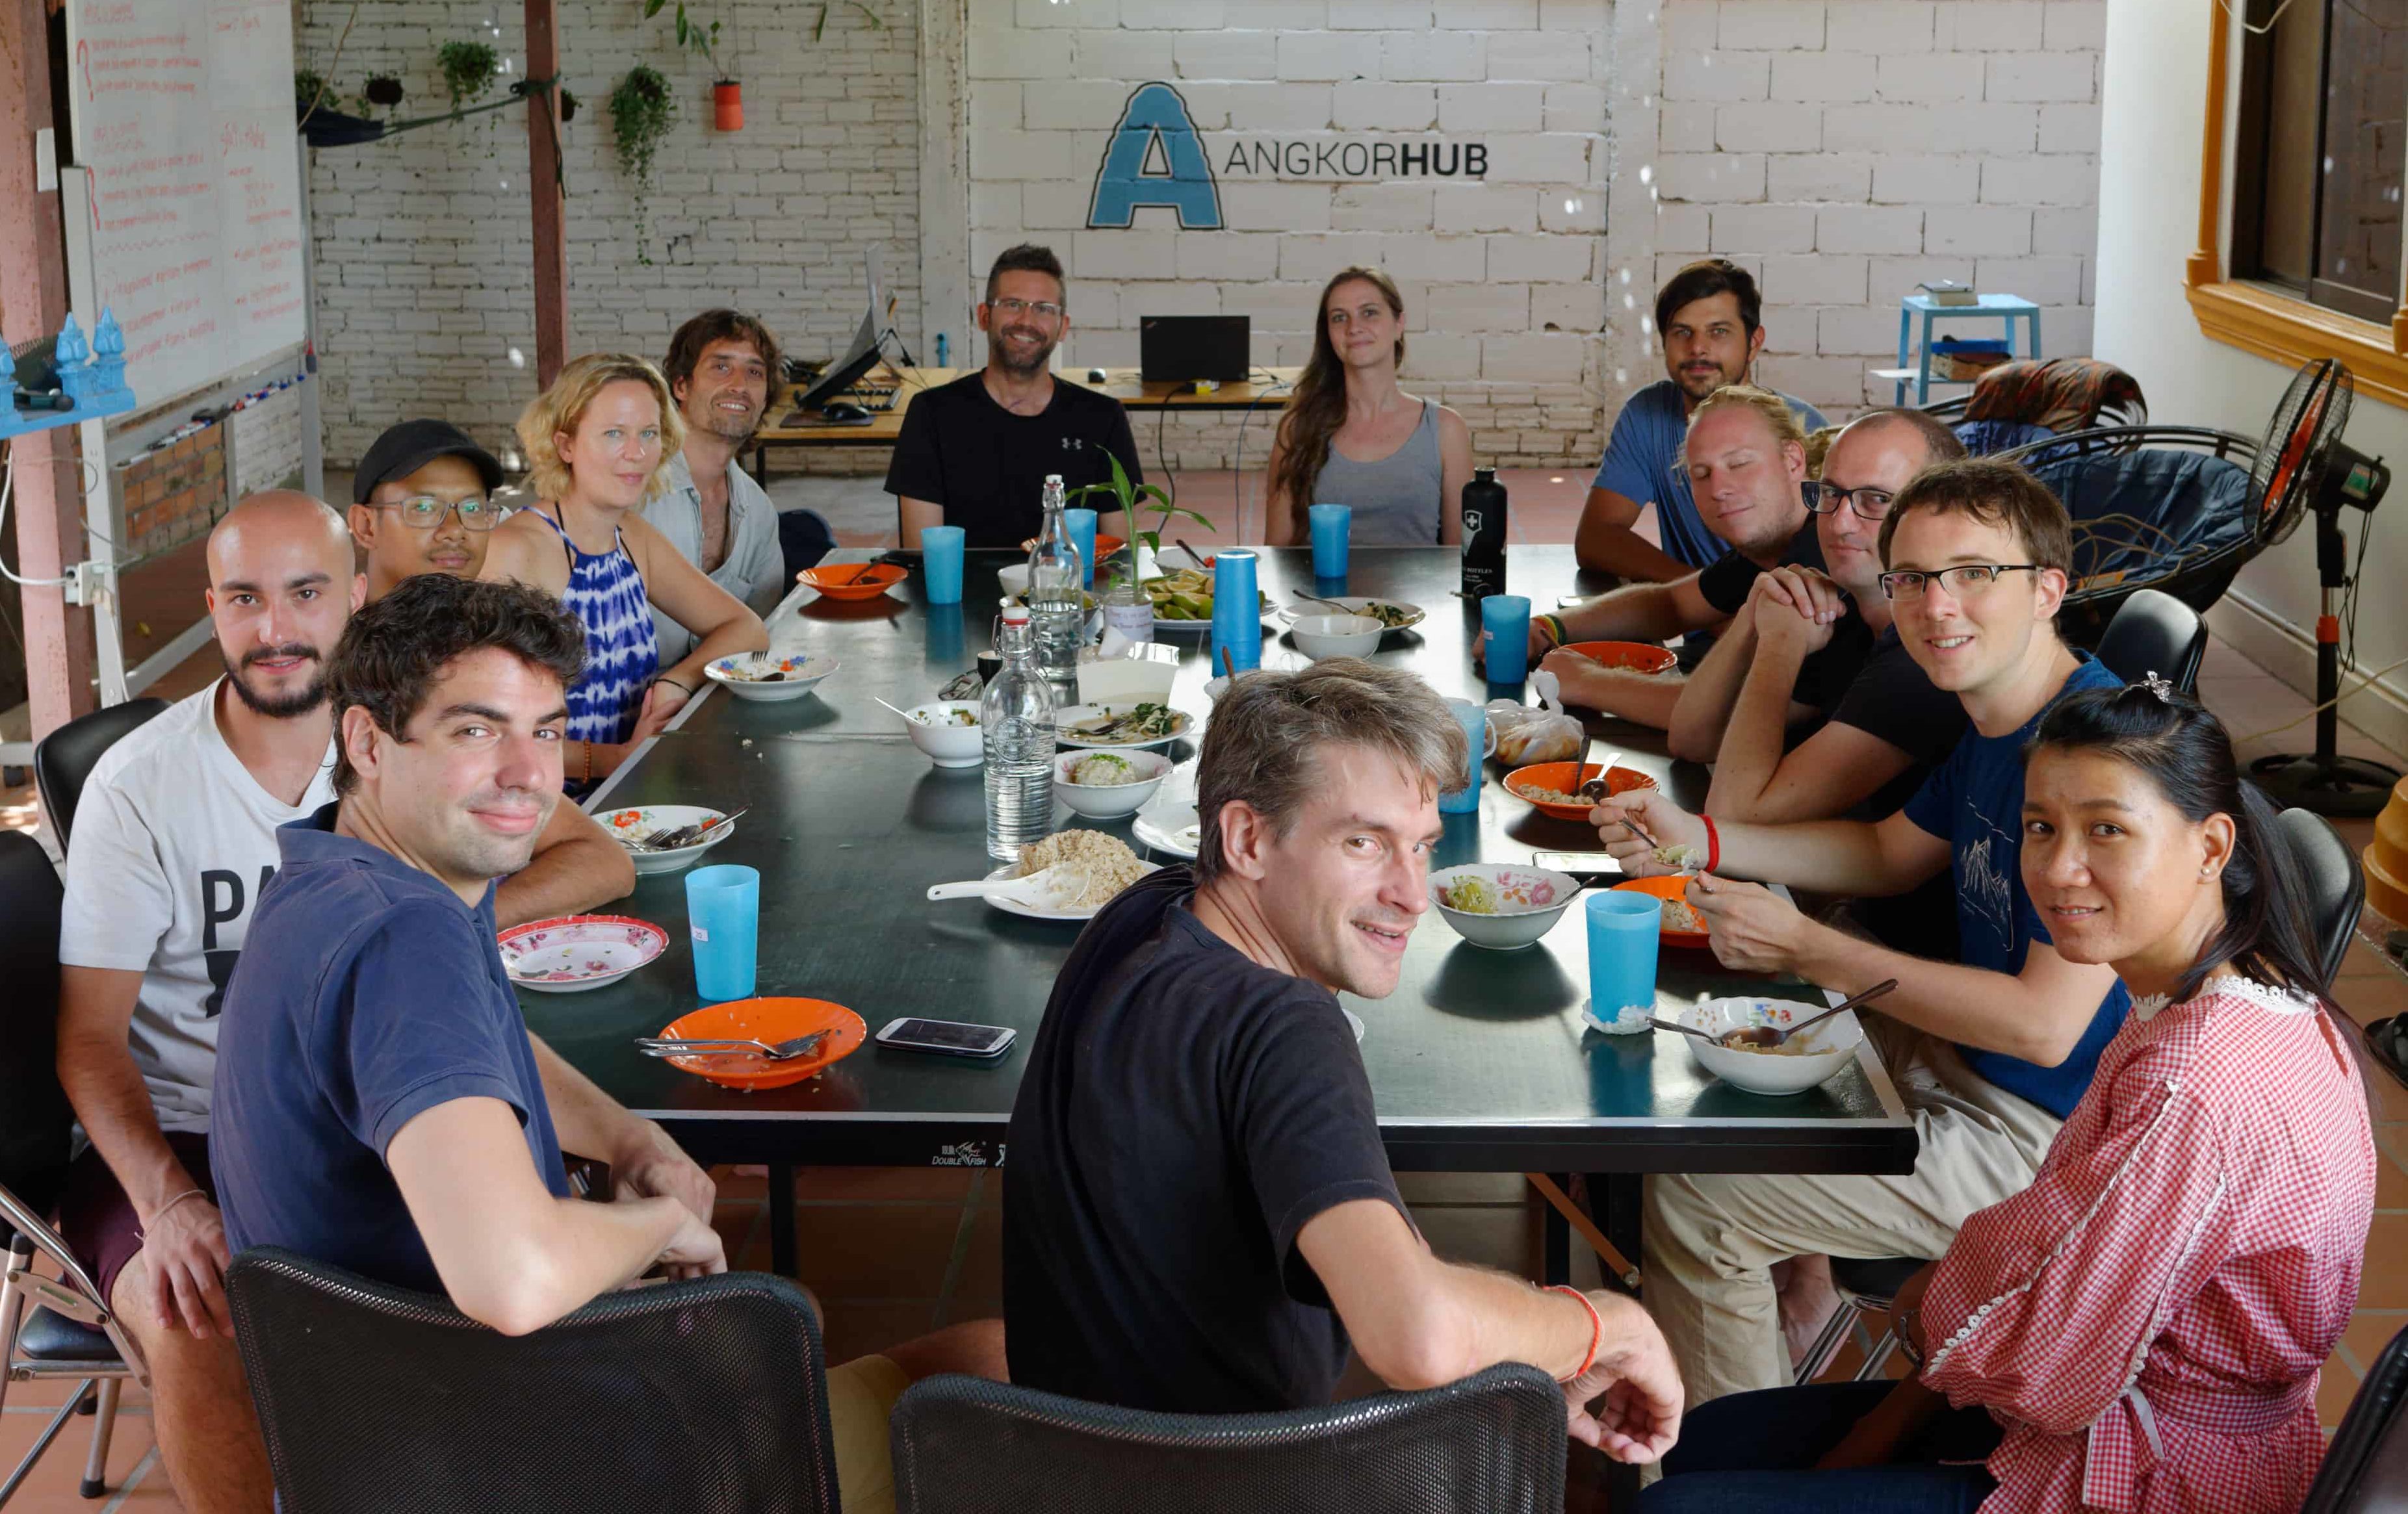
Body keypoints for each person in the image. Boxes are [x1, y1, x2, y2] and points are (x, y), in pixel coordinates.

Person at [208, 573, 1006, 1514]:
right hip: (537, 1459)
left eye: (544, 730)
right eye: (475, 730)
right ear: (366, 742)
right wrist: (660, 1225)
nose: (530, 774)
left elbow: (465, 1052)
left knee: (782, 1317)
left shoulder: (334, 879)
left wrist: (631, 1139)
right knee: (995, 1367)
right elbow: (516, 1277)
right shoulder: (405, 942)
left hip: (382, 1444)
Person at [1640, 685, 2376, 1513]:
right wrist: (1950, 1320)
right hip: (2100, 1409)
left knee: (1678, 1501)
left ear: (2211, 847)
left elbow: (2052, 1370)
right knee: (1709, 1444)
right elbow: (2038, 1283)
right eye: (2040, 827)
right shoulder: (2225, 998)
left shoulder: (2196, 1083)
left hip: (2148, 1473)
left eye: (2107, 829)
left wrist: (1932, 1310)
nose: (2058, 869)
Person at [1004, 660, 1682, 1462]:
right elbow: (1417, 1337)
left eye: (1421, 846)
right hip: (1223, 1483)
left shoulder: (1141, 912)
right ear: (1248, 838)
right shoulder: (1286, 1027)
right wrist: (1608, 1324)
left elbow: (1377, 1271)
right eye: (1363, 841)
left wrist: (1512, 1332)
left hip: (1074, 1459)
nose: (1412, 893)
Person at [1594, 458, 2132, 1409]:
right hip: (1965, 1058)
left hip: (2057, 1136)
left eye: (1974, 573)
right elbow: (1887, 853)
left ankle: (1729, 1474)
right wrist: (1703, 837)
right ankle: (1798, 1320)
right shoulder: (2002, 720)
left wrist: (1806, 948)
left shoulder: (2097, 762)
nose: (1937, 605)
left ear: (2049, 588)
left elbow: (2045, 1027)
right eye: (1914, 579)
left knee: (1698, 1196)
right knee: (1719, 1060)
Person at [51, 491, 362, 1514]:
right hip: (181, 1136)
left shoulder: (394, 750)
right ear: (213, 608)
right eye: (246, 598)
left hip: (361, 1115)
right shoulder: (142, 785)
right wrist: (167, 1201)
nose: (275, 629)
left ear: (356, 596)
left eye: (305, 593)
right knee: (197, 1308)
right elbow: (89, 1041)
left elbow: (560, 856)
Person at [346, 418, 637, 923]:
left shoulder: (471, 650)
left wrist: (458, 925)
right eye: (423, 507)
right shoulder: (331, 673)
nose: (454, 530)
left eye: (474, 508)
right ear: (365, 525)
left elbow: (604, 862)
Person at [482, 353, 769, 786]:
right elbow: (486, 734)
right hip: (542, 805)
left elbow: (746, 628)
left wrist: (677, 682)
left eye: (648, 433)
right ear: (565, 445)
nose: (636, 453)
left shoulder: (631, 537)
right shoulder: (516, 550)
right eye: (614, 433)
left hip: (631, 785)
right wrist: (612, 759)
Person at [1510, 385, 1869, 730]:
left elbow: (1729, 718)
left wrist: (1586, 681)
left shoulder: (1824, 554)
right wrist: (1548, 628)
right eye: (1701, 474)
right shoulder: (1768, 548)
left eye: (1740, 463)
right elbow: (1671, 604)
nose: (1719, 489)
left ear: (1793, 461)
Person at [1670, 409, 1971, 816]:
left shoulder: (1921, 656)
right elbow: (1692, 739)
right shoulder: (1846, 611)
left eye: (1876, 500)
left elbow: (1734, 814)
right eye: (1831, 494)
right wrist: (1751, 618)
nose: (1839, 523)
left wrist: (1781, 641)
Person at [1575, 260, 1828, 580]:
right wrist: (1701, 597)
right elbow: (1596, 538)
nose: (1697, 348)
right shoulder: (1648, 416)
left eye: (1718, 332)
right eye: (1682, 332)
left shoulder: (1804, 427)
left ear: (1754, 342)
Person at [885, 244, 1143, 549]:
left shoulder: (1102, 418)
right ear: (984, 316)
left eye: (1044, 309)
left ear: (1063, 327)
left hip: (1068, 595)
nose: (1026, 321)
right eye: (1012, 304)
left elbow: (1120, 557)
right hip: (963, 595)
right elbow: (921, 555)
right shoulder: (932, 414)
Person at [1263, 266, 1473, 547]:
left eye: (1369, 312)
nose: (1354, 327)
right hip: (1316, 593)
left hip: (1417, 592)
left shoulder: (1446, 430)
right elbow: (1276, 557)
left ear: (1399, 324)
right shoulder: (1297, 430)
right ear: (1328, 334)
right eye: (1339, 318)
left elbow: (1460, 560)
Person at [651, 309, 794, 663]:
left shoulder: (759, 512)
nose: (739, 385)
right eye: (721, 367)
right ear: (681, 385)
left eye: (755, 372)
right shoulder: (635, 490)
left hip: (712, 700)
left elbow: (760, 638)